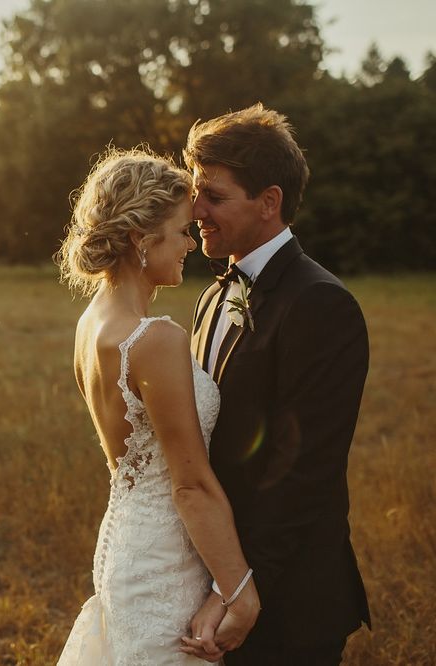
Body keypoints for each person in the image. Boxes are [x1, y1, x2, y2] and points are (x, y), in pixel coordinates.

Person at [55, 147, 260, 665]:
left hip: (124, 545)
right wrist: (240, 592)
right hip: (166, 562)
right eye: (180, 231)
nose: (191, 243)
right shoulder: (155, 338)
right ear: (140, 240)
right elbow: (188, 484)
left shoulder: (90, 326)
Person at [183, 104, 370, 665]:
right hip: (219, 573)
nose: (195, 210)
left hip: (287, 597)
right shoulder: (213, 294)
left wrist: (234, 590)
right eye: (196, 194)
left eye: (213, 196)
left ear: (269, 202)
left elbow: (303, 473)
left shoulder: (320, 303)